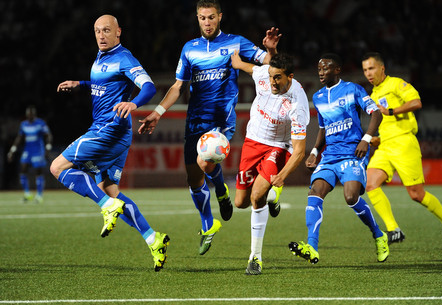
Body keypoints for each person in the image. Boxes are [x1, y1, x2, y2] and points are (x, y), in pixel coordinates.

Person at [138, 0, 281, 256]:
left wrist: (270, 50)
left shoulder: (235, 42)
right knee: (193, 181)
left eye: (211, 17)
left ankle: (220, 189)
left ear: (220, 17)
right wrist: (157, 112)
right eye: (203, 18)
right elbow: (177, 86)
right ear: (197, 19)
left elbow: (267, 67)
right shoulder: (189, 49)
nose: (207, 22)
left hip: (221, 120)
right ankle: (210, 218)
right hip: (195, 120)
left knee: (205, 163)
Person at [50, 15, 169, 271]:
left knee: (58, 168)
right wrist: (80, 84)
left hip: (108, 130)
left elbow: (148, 86)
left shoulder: (124, 57)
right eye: (97, 31)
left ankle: (107, 207)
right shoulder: (102, 56)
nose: (101, 35)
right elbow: (103, 84)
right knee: (109, 188)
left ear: (118, 33)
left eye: (106, 30)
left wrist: (134, 103)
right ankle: (153, 239)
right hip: (118, 135)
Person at [289, 53, 389, 264]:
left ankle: (379, 235)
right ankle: (312, 247)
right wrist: (315, 151)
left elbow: (376, 113)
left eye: (326, 68)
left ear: (337, 70)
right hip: (330, 154)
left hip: (353, 152)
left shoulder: (353, 89)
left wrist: (367, 138)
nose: (321, 73)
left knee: (351, 197)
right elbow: (323, 128)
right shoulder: (317, 97)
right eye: (319, 69)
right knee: (315, 192)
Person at [361, 52, 442, 249]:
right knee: (370, 184)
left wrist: (391, 111)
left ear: (382, 68)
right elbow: (385, 124)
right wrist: (377, 139)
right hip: (385, 146)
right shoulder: (372, 95)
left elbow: (416, 102)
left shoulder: (396, 84)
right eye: (365, 70)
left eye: (371, 68)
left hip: (404, 143)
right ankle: (393, 229)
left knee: (416, 194)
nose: (368, 74)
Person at [231, 51, 310, 275]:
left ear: (290, 77)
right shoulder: (264, 74)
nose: (272, 82)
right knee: (240, 203)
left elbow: (299, 151)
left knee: (257, 196)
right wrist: (236, 61)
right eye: (271, 76)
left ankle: (255, 258)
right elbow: (248, 68)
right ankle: (273, 198)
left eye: (278, 78)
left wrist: (282, 177)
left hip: (277, 147)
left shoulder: (297, 103)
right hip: (252, 142)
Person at [7, 105, 53, 203]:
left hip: (38, 150)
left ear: (34, 115)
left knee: (38, 172)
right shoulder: (24, 124)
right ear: (26, 115)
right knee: (23, 169)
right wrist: (12, 150)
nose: (30, 116)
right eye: (28, 115)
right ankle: (27, 194)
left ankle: (39, 195)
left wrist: (48, 147)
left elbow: (48, 135)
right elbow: (19, 137)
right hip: (27, 150)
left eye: (32, 114)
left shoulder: (40, 123)